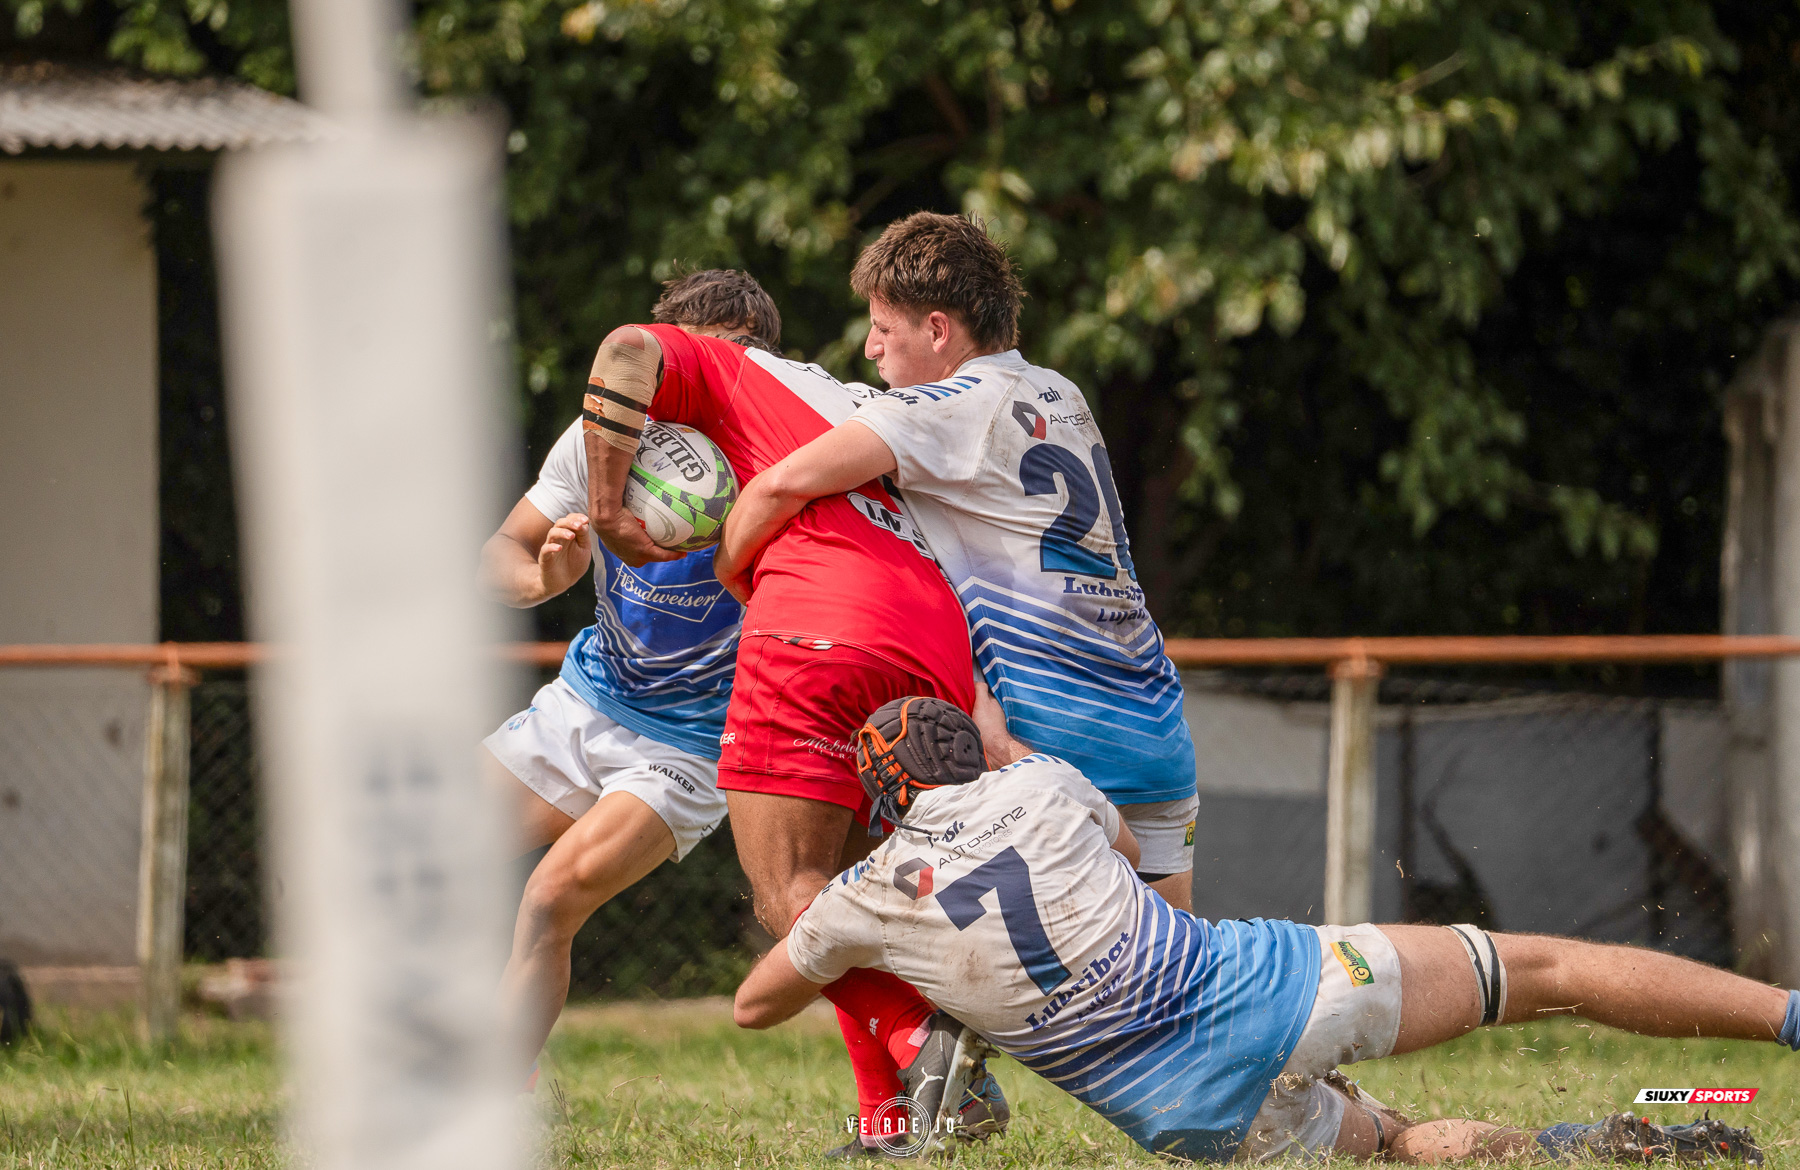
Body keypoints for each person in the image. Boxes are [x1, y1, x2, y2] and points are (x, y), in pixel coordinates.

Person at [735, 694, 1798, 1163]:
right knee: (1547, 968)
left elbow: (754, 1003)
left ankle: (1574, 1150)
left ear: (884, 796)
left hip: (1189, 1118)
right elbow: (1110, 849)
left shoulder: (866, 893)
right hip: (1274, 990)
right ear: (972, 753)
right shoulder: (1048, 783)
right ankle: (1791, 1020)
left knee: (1384, 1146)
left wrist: (846, 931)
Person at [581, 307, 1008, 1150]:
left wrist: (605, 509)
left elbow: (629, 350)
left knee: (788, 890)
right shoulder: (849, 400)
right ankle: (886, 1121)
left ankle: (926, 1044)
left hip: (820, 620)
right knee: (853, 883)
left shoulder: (722, 367)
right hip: (932, 637)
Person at [713, 211, 1201, 913]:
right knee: (1169, 983)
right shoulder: (1059, 391)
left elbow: (780, 486)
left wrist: (733, 572)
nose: (873, 350)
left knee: (1011, 989)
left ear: (939, 331)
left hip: (1051, 740)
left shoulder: (947, 407)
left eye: (884, 328)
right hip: (1154, 725)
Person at [478, 270, 775, 1078]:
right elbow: (497, 555)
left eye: (741, 366)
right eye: (701, 363)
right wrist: (543, 580)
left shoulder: (781, 469)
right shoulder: (597, 440)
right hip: (585, 699)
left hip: (688, 746)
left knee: (548, 900)